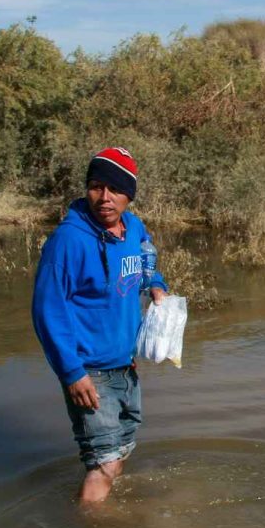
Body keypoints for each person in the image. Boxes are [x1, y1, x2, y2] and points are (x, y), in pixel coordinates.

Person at [32, 147, 169, 503]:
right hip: (90, 373)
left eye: (115, 189)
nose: (104, 197)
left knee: (119, 453)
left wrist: (156, 284)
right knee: (104, 465)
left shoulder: (133, 228)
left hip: (125, 366)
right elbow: (47, 310)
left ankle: (95, 514)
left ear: (129, 195)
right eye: (96, 186)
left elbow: (146, 262)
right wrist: (72, 373)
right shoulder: (68, 241)